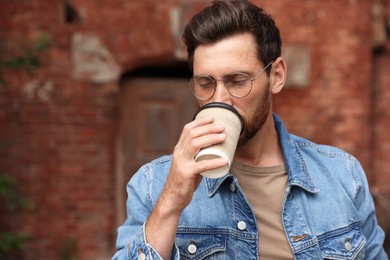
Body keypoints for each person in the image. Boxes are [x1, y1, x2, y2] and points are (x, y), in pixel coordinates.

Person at [113, 0, 388, 259]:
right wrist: (171, 200)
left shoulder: (342, 175)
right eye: (206, 83)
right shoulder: (153, 184)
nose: (220, 98)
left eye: (237, 80)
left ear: (276, 76)